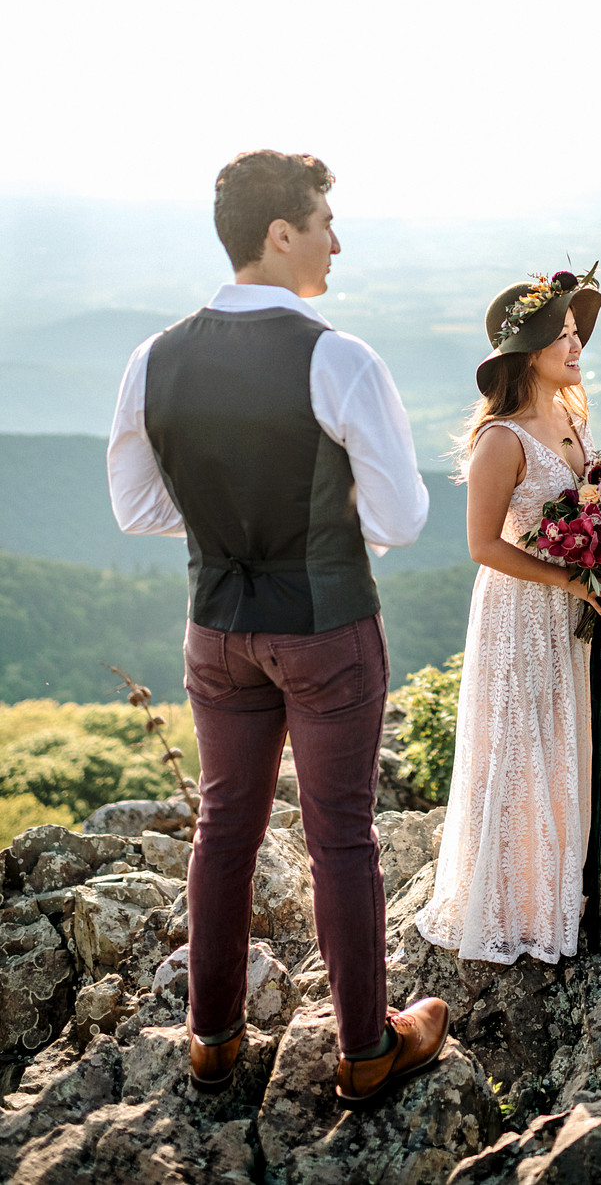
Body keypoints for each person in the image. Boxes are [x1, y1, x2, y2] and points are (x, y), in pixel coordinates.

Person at [107, 149, 448, 1105]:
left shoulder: (154, 356)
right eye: (325, 222)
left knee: (223, 828)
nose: (337, 242)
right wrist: (309, 514)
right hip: (326, 626)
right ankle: (367, 1046)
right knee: (341, 834)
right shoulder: (338, 356)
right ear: (279, 233)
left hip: (215, 626)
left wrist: (228, 521)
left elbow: (137, 507)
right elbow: (401, 519)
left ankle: (211, 1040)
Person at [416, 267, 601, 965]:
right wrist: (571, 578)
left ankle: (571, 859)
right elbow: (482, 545)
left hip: (574, 605)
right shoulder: (502, 440)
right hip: (523, 612)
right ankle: (520, 894)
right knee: (526, 734)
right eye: (563, 336)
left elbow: (591, 501)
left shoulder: (570, 417)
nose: (577, 347)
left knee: (566, 726)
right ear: (531, 349)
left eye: (578, 334)